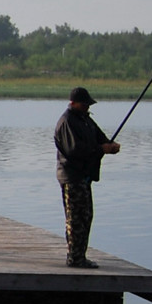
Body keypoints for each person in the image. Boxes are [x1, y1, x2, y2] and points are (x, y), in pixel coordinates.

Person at [54, 86, 120, 269]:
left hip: (83, 177)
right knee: (76, 219)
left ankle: (80, 256)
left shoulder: (85, 120)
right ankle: (75, 258)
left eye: (88, 105)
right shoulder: (67, 122)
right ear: (73, 103)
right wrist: (101, 149)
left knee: (86, 216)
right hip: (71, 177)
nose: (87, 108)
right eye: (84, 105)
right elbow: (74, 151)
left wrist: (110, 146)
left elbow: (100, 139)